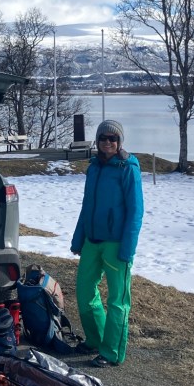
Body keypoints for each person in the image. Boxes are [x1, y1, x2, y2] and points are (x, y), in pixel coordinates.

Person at [70, 119, 144, 368]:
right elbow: (87, 206)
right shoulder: (94, 168)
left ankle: (112, 352)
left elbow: (136, 211)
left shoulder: (128, 168)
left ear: (119, 141)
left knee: (117, 301)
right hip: (92, 241)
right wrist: (78, 239)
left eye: (113, 138)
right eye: (103, 138)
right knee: (84, 292)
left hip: (116, 244)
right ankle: (95, 339)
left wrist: (128, 248)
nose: (108, 142)